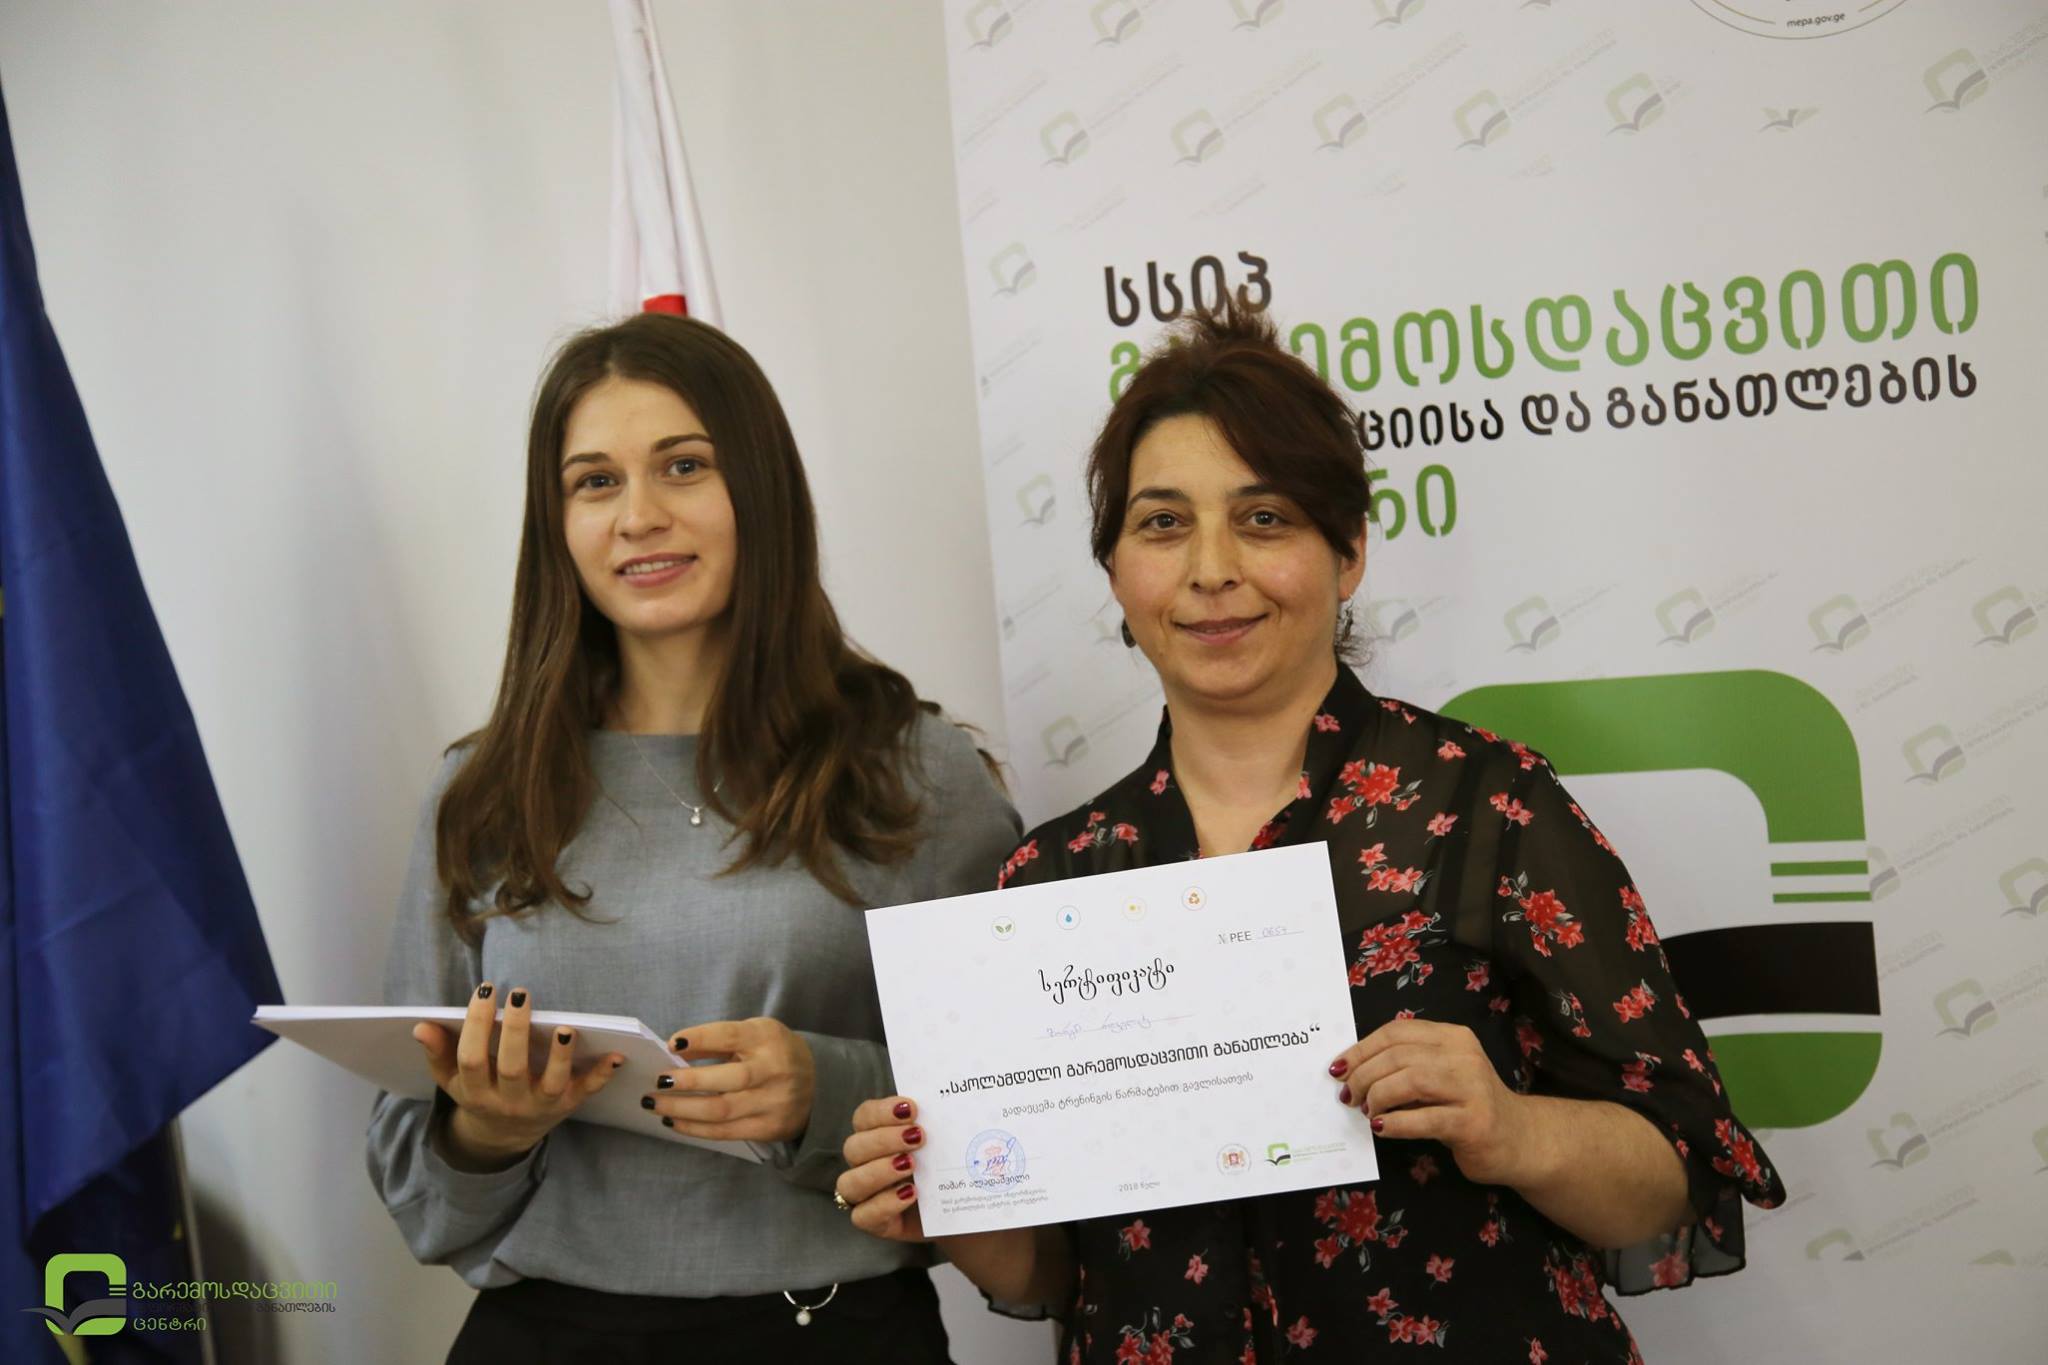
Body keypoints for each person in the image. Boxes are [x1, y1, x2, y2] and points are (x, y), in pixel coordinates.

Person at [835, 304, 1784, 1363]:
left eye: (1263, 518)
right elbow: (1066, 1275)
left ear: (1349, 551)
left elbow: (1672, 1175)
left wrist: (1510, 1127)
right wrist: (954, 1204)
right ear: (1114, 572)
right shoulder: (1052, 879)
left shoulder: (1486, 807)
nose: (1210, 568)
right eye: (1162, 524)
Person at [365, 312, 1020, 1364]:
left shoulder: (914, 770)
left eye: (683, 466)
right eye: (595, 482)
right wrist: (488, 1128)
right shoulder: (478, 793)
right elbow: (418, 1195)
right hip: (545, 1336)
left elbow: (1031, 1100)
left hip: (831, 1333)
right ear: (556, 523)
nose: (639, 516)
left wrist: (826, 1093)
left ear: (760, 489)